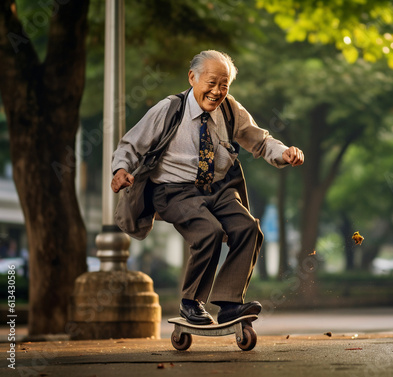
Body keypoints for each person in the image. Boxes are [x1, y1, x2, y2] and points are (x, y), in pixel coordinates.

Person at [111, 50, 304, 325]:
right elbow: (131, 145)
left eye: (224, 85)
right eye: (211, 83)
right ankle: (191, 303)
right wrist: (120, 170)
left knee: (248, 229)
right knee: (209, 232)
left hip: (217, 188)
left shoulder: (229, 109)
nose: (217, 91)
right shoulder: (169, 109)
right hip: (174, 190)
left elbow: (260, 140)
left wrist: (284, 153)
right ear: (193, 78)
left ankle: (229, 304)